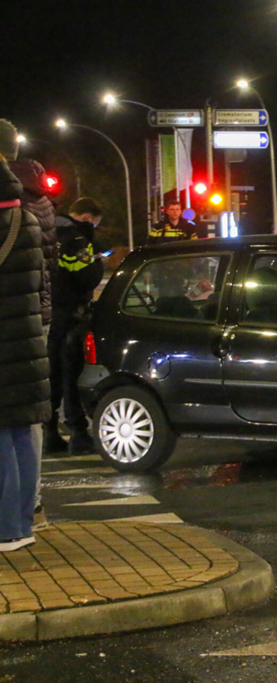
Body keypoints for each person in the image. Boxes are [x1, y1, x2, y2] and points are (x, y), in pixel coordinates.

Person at [0, 151, 49, 552]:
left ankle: (5, 529)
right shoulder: (27, 219)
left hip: (4, 342)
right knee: (20, 429)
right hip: (27, 337)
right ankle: (21, 523)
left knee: (3, 432)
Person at [8, 146, 58, 531]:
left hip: (10, 318)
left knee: (9, 422)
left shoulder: (11, 202)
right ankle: (31, 510)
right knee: (29, 417)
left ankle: (12, 520)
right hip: (34, 313)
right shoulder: (39, 201)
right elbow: (49, 262)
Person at [46, 197, 104, 455]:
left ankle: (49, 434)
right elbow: (86, 276)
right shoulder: (78, 239)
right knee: (72, 375)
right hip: (72, 315)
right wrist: (96, 255)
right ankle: (78, 433)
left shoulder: (47, 233)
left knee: (52, 376)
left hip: (49, 314)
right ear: (88, 217)